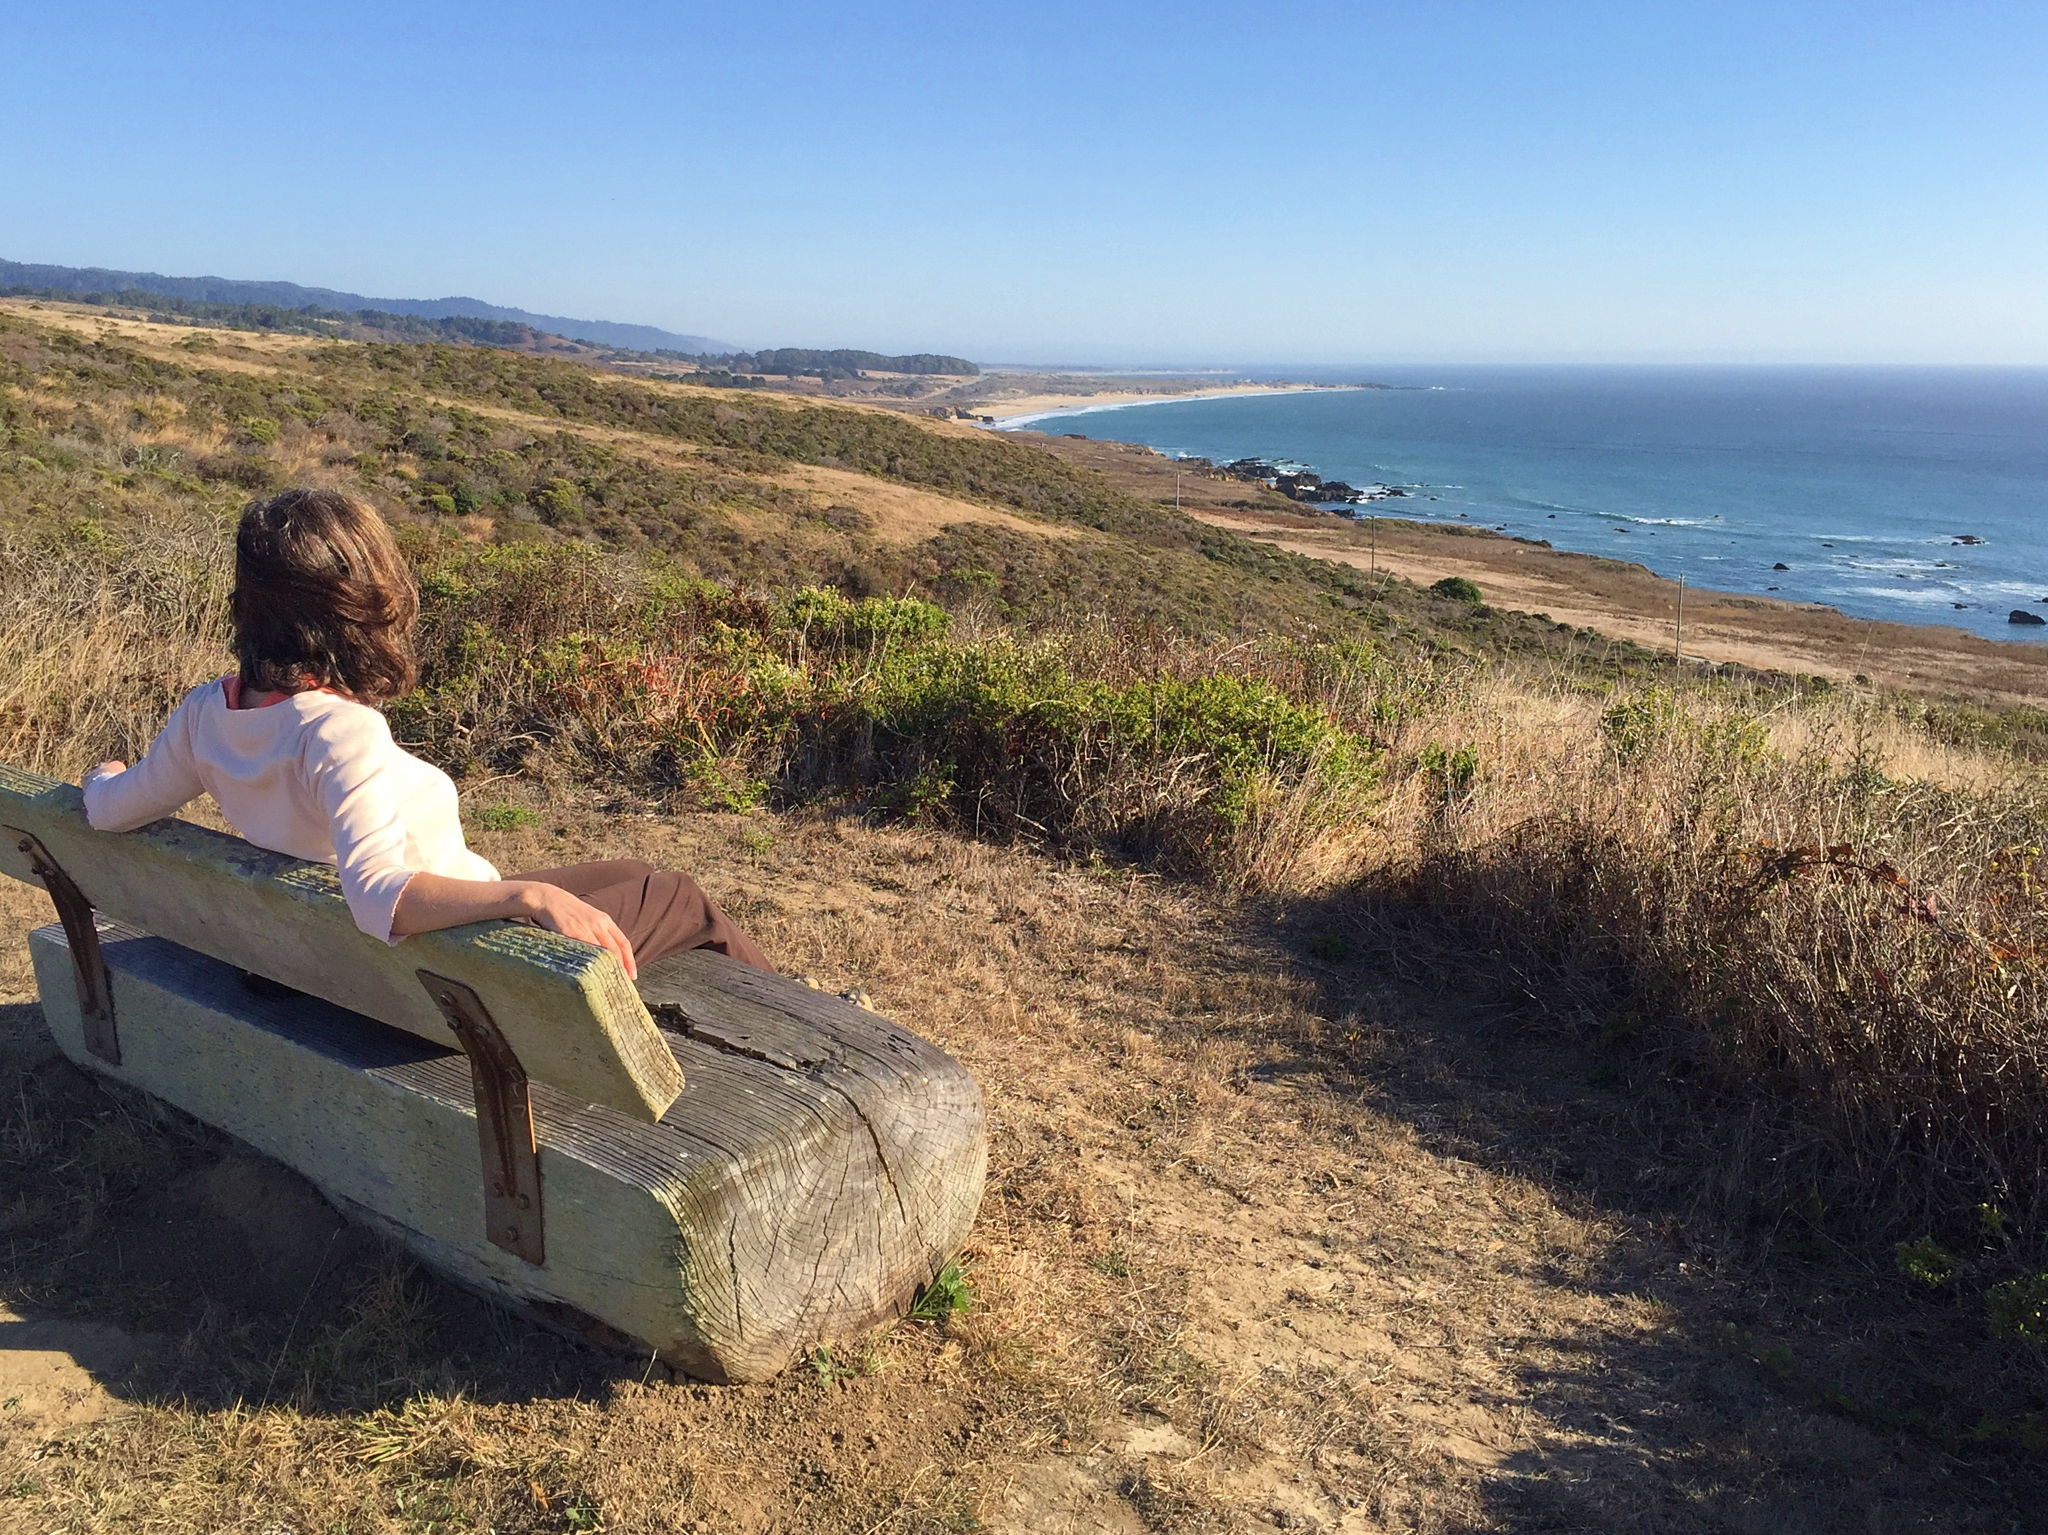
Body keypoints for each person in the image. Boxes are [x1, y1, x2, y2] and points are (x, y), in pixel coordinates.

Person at [81, 486, 772, 982]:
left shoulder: (209, 714)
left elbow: (110, 809)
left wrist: (103, 774)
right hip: (458, 971)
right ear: (350, 604)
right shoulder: (338, 733)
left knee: (633, 877)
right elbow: (380, 896)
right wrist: (527, 896)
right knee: (682, 899)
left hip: (350, 966)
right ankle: (816, 1020)